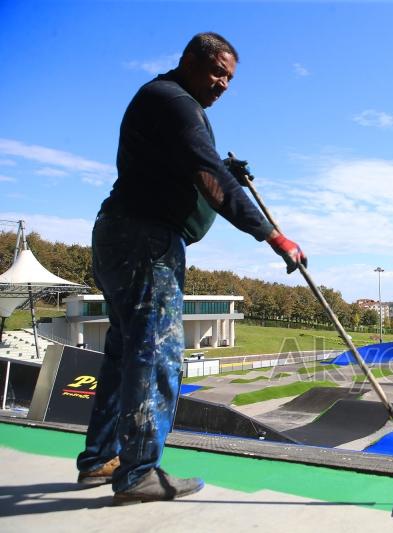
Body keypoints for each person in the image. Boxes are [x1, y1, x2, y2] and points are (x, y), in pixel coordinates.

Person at [75, 32, 306, 505]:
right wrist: (272, 235)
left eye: (229, 78)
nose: (223, 84)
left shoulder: (164, 101)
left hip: (119, 233)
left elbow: (191, 164)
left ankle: (101, 458)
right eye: (218, 72)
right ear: (189, 61)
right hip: (147, 241)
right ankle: (139, 472)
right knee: (157, 354)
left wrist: (223, 166)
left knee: (123, 353)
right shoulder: (175, 101)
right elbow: (208, 176)